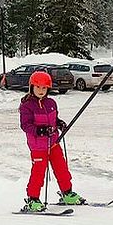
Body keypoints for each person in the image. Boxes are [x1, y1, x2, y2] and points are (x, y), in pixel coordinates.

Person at [19, 71, 84, 212]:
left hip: (53, 143)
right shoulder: (27, 106)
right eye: (38, 87)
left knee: (62, 168)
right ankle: (33, 199)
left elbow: (54, 120)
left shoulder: (51, 103)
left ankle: (67, 193)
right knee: (38, 173)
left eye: (44, 88)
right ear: (32, 87)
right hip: (38, 146)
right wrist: (40, 130)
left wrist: (59, 124)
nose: (41, 91)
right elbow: (25, 125)